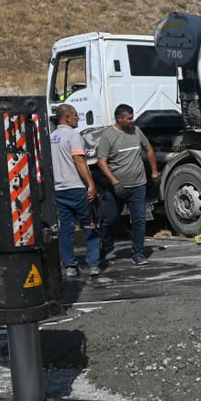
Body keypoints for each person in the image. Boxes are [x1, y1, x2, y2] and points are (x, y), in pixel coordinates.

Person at [96, 104, 159, 266]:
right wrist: (114, 182)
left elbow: (149, 149)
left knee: (139, 220)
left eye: (132, 117)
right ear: (119, 119)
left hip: (138, 185)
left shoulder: (136, 131)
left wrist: (154, 172)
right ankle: (106, 245)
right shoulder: (108, 136)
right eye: (129, 118)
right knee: (110, 219)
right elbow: (101, 162)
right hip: (117, 187)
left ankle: (138, 253)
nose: (132, 120)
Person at [50, 104, 102, 278]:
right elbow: (79, 161)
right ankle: (94, 264)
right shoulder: (73, 136)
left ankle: (70, 266)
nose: (78, 117)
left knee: (66, 229)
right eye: (74, 115)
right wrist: (91, 184)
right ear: (66, 118)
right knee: (91, 225)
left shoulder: (52, 137)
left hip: (59, 189)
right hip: (77, 188)